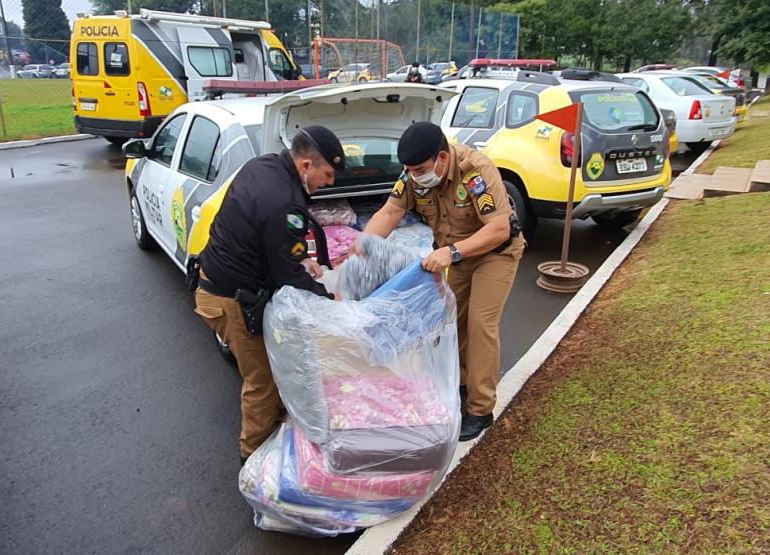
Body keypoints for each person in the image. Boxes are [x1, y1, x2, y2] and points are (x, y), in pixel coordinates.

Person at [360, 122, 524, 441]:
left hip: (495, 253)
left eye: (420, 169)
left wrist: (452, 252)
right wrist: (362, 246)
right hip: (457, 255)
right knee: (453, 323)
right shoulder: (413, 174)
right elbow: (391, 212)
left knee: (480, 323)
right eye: (408, 170)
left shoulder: (474, 169)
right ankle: (463, 383)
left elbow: (498, 229)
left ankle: (480, 408)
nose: (414, 176)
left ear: (442, 158)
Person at [193, 125, 345, 461]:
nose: (330, 183)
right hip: (229, 299)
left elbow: (261, 234)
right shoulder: (283, 203)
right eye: (328, 174)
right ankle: (256, 463)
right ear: (306, 165)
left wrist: (299, 254)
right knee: (263, 380)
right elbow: (287, 277)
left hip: (214, 283)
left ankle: (275, 435)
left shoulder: (262, 166)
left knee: (274, 369)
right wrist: (330, 299)